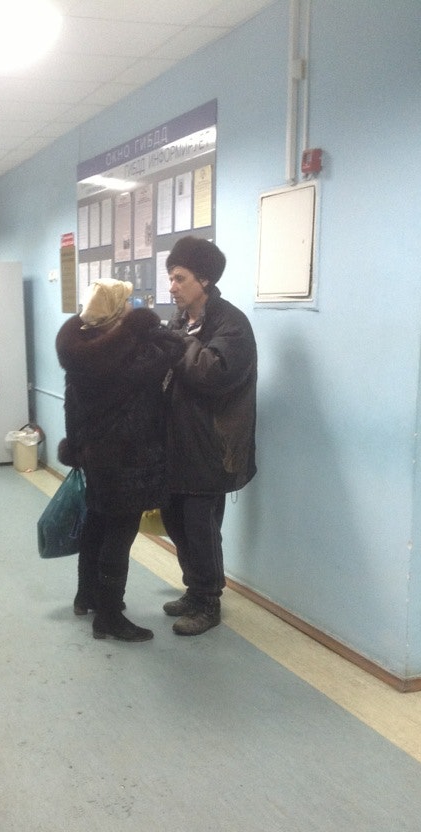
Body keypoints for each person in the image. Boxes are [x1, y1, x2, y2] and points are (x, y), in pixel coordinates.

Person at [56, 278, 185, 642]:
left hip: (96, 457)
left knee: (97, 523)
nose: (133, 305)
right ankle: (109, 617)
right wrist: (144, 324)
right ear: (116, 313)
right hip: (129, 459)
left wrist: (77, 447)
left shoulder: (80, 351)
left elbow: (71, 405)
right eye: (127, 301)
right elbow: (173, 346)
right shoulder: (133, 357)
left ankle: (87, 596)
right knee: (120, 533)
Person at [161, 236, 257, 636]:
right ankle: (194, 590)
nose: (171, 286)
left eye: (179, 278)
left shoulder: (232, 325)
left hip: (211, 447)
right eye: (170, 277)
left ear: (204, 279)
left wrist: (177, 341)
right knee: (175, 522)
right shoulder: (181, 321)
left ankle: (208, 601)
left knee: (201, 527)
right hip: (176, 444)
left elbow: (211, 372)